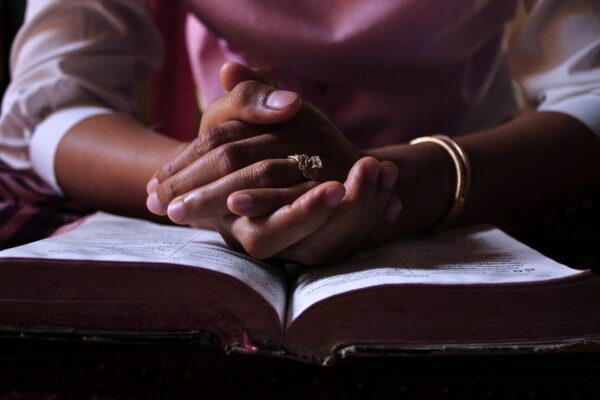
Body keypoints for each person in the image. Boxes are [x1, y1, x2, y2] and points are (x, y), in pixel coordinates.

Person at [0, 0, 598, 264]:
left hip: (471, 180)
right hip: (212, 185)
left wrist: (398, 184)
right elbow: (53, 105)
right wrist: (209, 178)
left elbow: (590, 94)